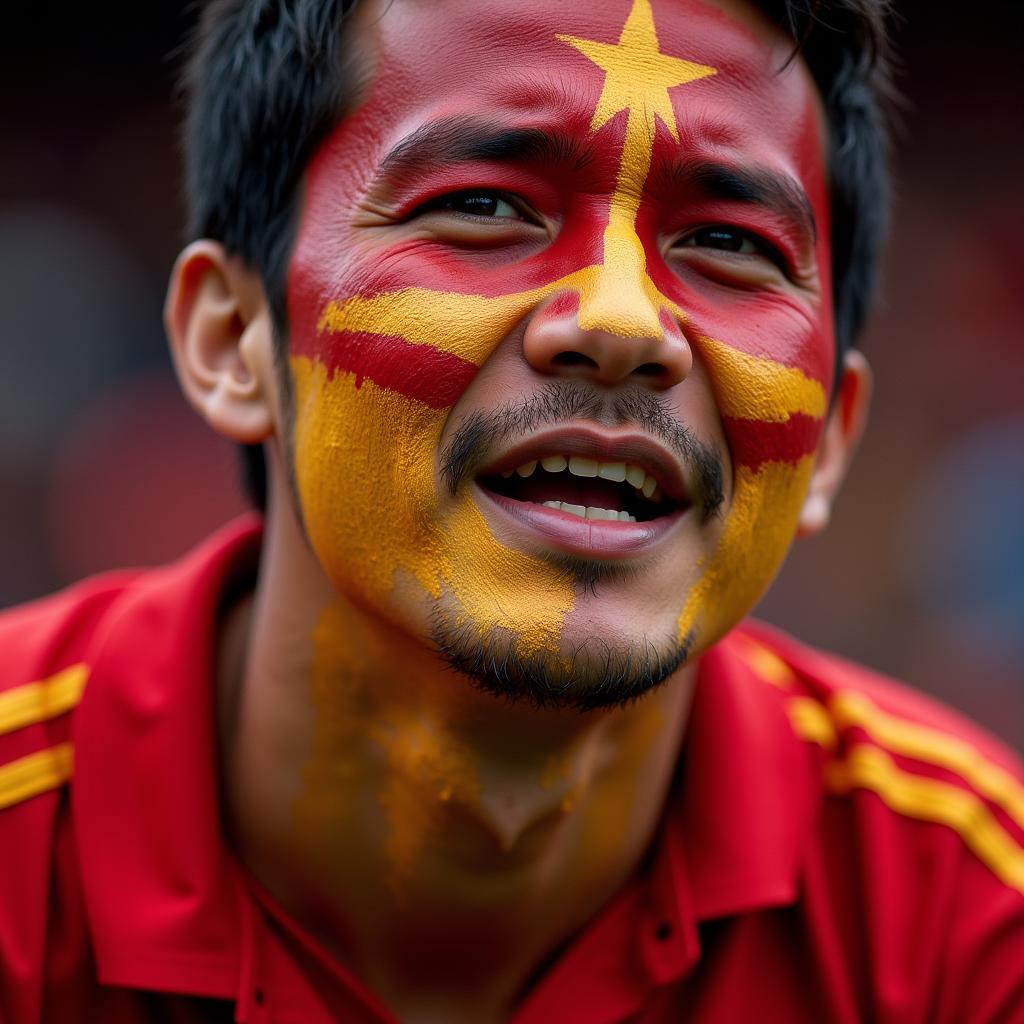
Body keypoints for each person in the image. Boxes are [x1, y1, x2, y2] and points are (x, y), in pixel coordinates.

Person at [0, 0, 1021, 1020]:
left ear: (829, 438)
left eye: (726, 242)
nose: (622, 321)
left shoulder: (964, 917)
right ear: (233, 340)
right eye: (486, 207)